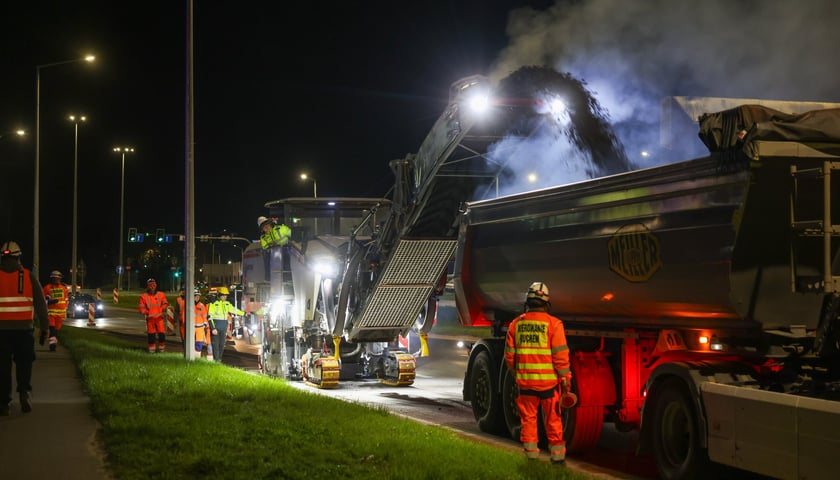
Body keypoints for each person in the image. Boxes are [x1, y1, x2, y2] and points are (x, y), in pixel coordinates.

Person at [504, 282, 571, 464]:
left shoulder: (516, 324)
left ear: (528, 301)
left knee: (528, 420)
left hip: (525, 384)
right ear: (546, 303)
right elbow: (560, 358)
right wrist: (566, 381)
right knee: (553, 420)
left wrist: (516, 374)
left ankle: (531, 456)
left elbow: (510, 357)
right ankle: (557, 458)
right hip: (549, 385)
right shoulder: (554, 324)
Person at [0, 241, 49, 415]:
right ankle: (24, 394)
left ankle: (3, 403)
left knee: (2, 368)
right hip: (24, 331)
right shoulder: (29, 276)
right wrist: (45, 327)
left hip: (1, 333)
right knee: (24, 364)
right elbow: (41, 304)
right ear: (18, 256)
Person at [207, 286, 244, 363]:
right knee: (215, 346)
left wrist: (244, 313)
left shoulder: (227, 304)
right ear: (219, 295)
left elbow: (234, 310)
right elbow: (210, 317)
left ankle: (219, 360)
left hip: (223, 328)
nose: (224, 297)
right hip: (216, 328)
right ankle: (216, 361)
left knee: (221, 346)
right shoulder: (213, 304)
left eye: (226, 295)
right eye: (223, 295)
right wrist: (213, 328)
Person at [138, 278, 169, 353]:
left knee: (161, 335)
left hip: (159, 319)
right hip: (150, 319)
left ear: (156, 286)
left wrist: (161, 309)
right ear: (148, 286)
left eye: (153, 285)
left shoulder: (161, 295)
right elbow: (141, 308)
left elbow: (165, 303)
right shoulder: (144, 296)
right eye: (150, 285)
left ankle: (162, 350)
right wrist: (147, 312)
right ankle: (152, 351)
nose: (152, 287)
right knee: (151, 336)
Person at [43, 270, 69, 352]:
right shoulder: (47, 288)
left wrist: (65, 310)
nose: (56, 280)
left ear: (60, 279)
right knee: (52, 328)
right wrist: (49, 302)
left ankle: (53, 340)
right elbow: (43, 300)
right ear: (52, 279)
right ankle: (52, 344)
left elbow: (66, 300)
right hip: (51, 313)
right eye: (54, 278)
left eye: (57, 278)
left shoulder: (63, 288)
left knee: (56, 329)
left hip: (60, 313)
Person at [190, 289, 210, 357]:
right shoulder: (189, 305)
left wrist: (205, 324)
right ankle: (191, 356)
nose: (197, 297)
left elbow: (205, 316)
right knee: (191, 342)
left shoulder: (202, 306)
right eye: (196, 296)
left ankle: (197, 357)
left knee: (199, 342)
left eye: (198, 296)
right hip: (191, 327)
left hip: (200, 327)